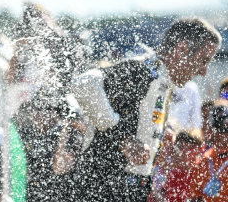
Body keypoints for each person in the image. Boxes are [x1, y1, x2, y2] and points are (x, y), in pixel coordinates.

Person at [71, 17, 221, 202]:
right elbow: (83, 84)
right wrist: (123, 138)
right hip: (99, 187)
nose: (204, 71)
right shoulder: (144, 70)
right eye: (203, 60)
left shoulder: (164, 82)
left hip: (128, 189)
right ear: (181, 50)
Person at [188, 101, 228, 201]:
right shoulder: (204, 160)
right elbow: (194, 197)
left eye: (224, 130)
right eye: (216, 129)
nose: (220, 134)